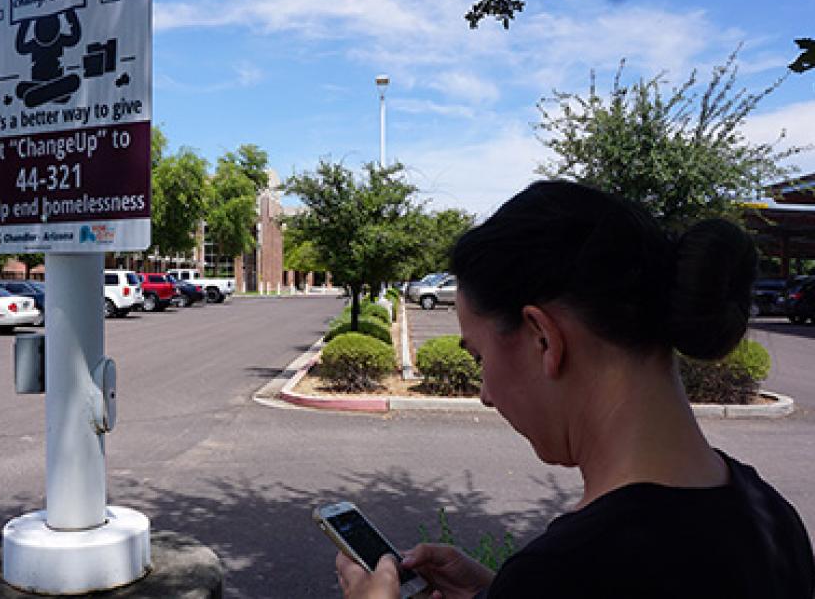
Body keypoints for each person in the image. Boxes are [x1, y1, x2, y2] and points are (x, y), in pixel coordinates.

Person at [335, 181, 815, 598]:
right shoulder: (772, 516)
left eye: (480, 357)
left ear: (543, 338)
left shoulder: (567, 571)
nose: (485, 394)